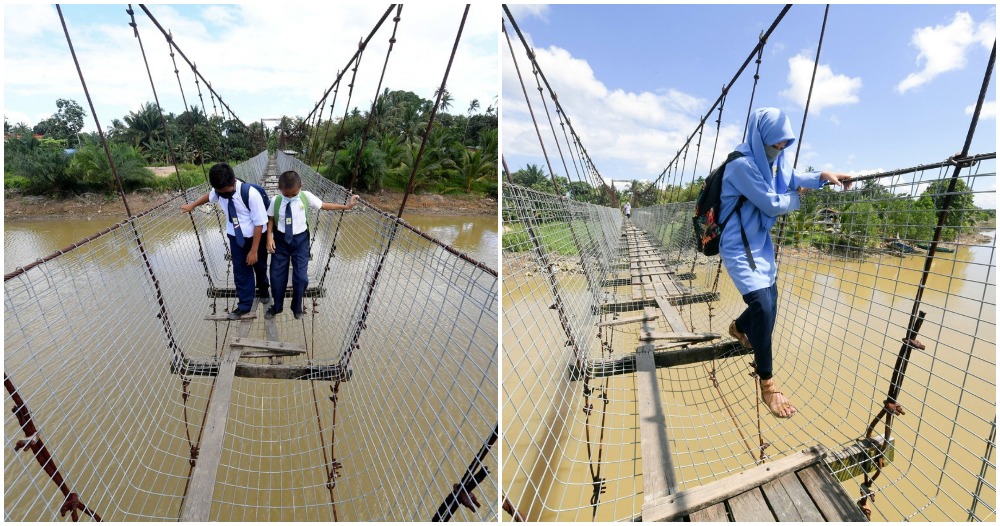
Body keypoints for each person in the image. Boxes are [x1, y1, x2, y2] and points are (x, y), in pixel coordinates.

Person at [719, 107, 852, 418]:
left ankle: (738, 327)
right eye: (774, 144)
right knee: (762, 306)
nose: (779, 150)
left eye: (784, 145)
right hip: (738, 244)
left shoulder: (774, 159)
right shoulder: (740, 165)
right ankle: (767, 383)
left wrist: (821, 177)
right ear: (759, 136)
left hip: (760, 243)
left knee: (771, 301)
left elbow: (790, 178)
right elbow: (771, 202)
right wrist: (798, 196)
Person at [180, 163, 270, 319]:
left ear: (233, 181)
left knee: (259, 266)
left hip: (256, 238)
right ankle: (244, 305)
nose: (223, 195)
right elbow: (209, 196)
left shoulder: (251, 194)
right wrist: (192, 205)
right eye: (220, 193)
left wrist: (254, 250)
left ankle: (263, 289)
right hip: (235, 237)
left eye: (226, 192)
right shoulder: (219, 191)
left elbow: (259, 223)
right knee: (240, 271)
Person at [265, 170, 359, 320]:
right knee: (275, 277)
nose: (289, 197)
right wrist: (269, 237)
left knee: (301, 278)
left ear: (301, 186)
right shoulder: (276, 200)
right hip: (281, 241)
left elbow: (324, 205)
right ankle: (277, 307)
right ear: (279, 188)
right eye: (286, 194)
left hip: (300, 241)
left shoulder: (305, 196)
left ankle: (296, 307)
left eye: (293, 194)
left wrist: (347, 207)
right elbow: (270, 218)